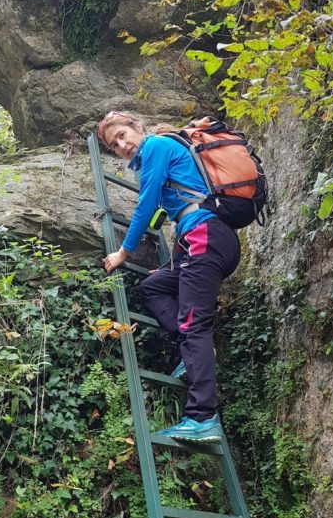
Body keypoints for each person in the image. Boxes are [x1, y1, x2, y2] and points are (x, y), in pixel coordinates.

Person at [98, 110, 240, 443]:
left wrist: (124, 251)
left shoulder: (158, 147)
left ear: (138, 127)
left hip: (205, 235)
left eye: (122, 135)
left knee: (194, 324)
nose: (122, 145)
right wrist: (170, 263)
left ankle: (203, 418)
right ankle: (192, 356)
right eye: (114, 144)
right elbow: (166, 209)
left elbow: (146, 204)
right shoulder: (158, 157)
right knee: (153, 287)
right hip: (200, 240)